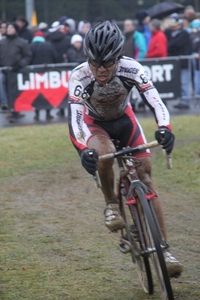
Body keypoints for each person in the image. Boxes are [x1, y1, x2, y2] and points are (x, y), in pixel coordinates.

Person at [68, 21, 183, 278]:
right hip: (94, 124)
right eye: (94, 62)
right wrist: (82, 149)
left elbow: (154, 99)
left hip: (125, 121)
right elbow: (75, 118)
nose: (100, 69)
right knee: (103, 154)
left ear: (118, 57)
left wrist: (164, 127)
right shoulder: (79, 75)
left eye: (107, 63)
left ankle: (164, 250)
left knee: (145, 177)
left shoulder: (132, 68)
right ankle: (111, 204)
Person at [0, 23, 32, 121]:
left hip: (16, 71)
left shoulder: (21, 42)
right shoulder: (2, 42)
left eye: (11, 27)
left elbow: (28, 56)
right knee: (1, 82)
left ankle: (15, 113)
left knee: (15, 93)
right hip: (4, 70)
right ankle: (4, 103)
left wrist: (19, 65)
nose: (9, 29)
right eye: (8, 27)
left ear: (16, 30)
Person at [30, 31, 59, 121]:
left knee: (36, 93)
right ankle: (48, 113)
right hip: (48, 73)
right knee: (47, 93)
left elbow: (28, 59)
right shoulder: (49, 45)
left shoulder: (30, 46)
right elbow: (56, 58)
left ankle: (36, 113)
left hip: (34, 74)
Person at [166, 14, 192, 109]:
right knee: (179, 82)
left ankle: (186, 101)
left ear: (180, 24)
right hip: (176, 63)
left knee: (185, 82)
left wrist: (172, 45)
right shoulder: (172, 34)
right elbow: (170, 46)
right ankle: (182, 100)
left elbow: (175, 45)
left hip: (184, 63)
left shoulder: (184, 33)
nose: (174, 27)